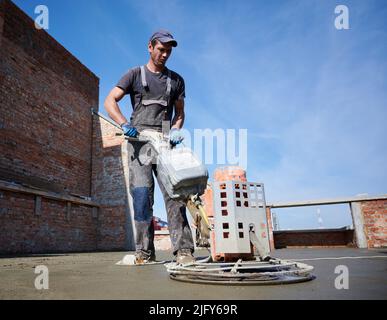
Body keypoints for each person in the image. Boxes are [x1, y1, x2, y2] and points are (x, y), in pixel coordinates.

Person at [104, 30, 195, 265]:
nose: (165, 54)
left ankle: (183, 251)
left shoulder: (176, 80)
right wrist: (125, 124)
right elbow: (109, 100)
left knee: (175, 195)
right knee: (142, 197)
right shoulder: (134, 74)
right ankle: (144, 252)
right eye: (161, 49)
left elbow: (180, 113)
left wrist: (174, 130)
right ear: (150, 47)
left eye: (169, 51)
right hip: (140, 143)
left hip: (164, 145)